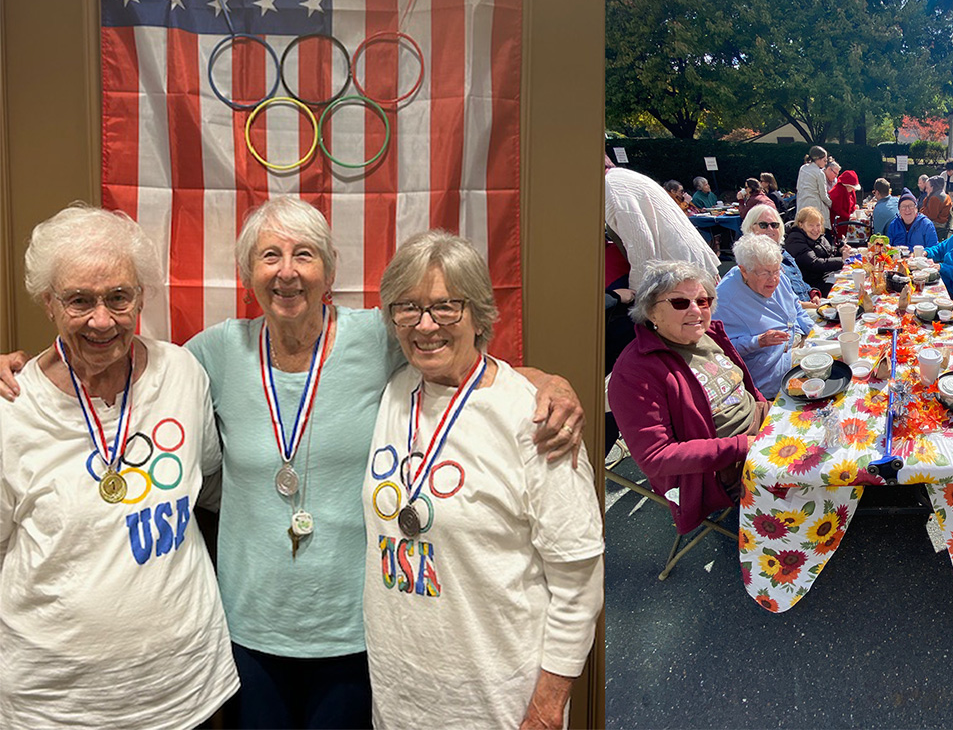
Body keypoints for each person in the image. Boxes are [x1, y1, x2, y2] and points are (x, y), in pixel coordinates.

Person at [0, 198, 585, 728]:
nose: (286, 271)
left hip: (358, 629)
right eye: (269, 255)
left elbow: (461, 359)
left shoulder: (380, 339)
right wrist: (18, 368)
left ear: (329, 271)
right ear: (247, 273)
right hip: (247, 627)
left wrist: (548, 383)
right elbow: (198, 471)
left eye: (303, 255)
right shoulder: (206, 356)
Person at [0, 206, 238, 727]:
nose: (101, 319)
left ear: (141, 298)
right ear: (48, 303)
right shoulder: (10, 408)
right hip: (56, 702)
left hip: (185, 686)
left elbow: (210, 483)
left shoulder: (182, 373)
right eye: (80, 300)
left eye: (118, 297)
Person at [365, 231, 604, 728]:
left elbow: (579, 582)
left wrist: (546, 707)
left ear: (477, 314)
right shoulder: (393, 390)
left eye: (446, 307)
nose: (425, 325)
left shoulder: (535, 418)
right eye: (407, 308)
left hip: (501, 699)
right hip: (400, 691)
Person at [608, 261, 769, 534]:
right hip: (723, 465)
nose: (696, 310)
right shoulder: (636, 371)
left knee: (835, 419)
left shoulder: (707, 335)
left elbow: (743, 388)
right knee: (811, 470)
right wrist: (743, 445)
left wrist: (769, 408)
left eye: (703, 301)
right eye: (680, 302)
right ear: (651, 312)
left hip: (760, 426)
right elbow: (656, 456)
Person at [713, 234, 814, 399]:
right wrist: (757, 341)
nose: (774, 279)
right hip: (769, 371)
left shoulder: (777, 277)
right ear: (744, 271)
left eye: (776, 271)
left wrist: (812, 330)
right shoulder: (724, 302)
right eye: (766, 273)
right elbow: (721, 351)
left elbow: (795, 304)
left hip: (797, 344)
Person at [605, 161, 720, 291]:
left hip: (680, 273)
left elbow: (641, 244)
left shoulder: (613, 187)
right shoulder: (622, 178)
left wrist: (638, 292)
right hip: (683, 267)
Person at [742, 204, 815, 301]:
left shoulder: (783, 253)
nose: (770, 229)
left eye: (774, 225)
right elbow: (771, 301)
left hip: (807, 303)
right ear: (751, 228)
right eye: (763, 225)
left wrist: (813, 293)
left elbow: (799, 281)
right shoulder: (753, 261)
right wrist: (808, 306)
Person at [784, 206, 853, 298]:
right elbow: (814, 263)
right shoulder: (795, 239)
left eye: (818, 225)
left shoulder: (818, 236)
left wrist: (841, 250)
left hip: (828, 276)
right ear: (801, 224)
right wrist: (842, 260)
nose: (816, 229)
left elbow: (830, 254)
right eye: (811, 225)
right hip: (813, 286)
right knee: (847, 292)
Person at [795, 145, 833, 227]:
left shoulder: (803, 168)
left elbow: (798, 187)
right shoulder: (819, 173)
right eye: (825, 160)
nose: (826, 163)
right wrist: (832, 205)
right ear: (817, 159)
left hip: (802, 204)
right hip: (814, 206)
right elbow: (823, 195)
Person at [829, 169, 860, 241]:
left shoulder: (850, 191)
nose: (853, 189)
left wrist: (855, 209)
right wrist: (849, 216)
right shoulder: (837, 192)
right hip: (839, 223)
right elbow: (837, 209)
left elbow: (852, 205)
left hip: (847, 221)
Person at [921, 175, 953, 241]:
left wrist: (921, 211)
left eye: (927, 187)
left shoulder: (935, 198)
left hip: (937, 225)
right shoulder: (946, 195)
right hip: (944, 225)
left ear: (933, 187)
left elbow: (931, 216)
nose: (926, 190)